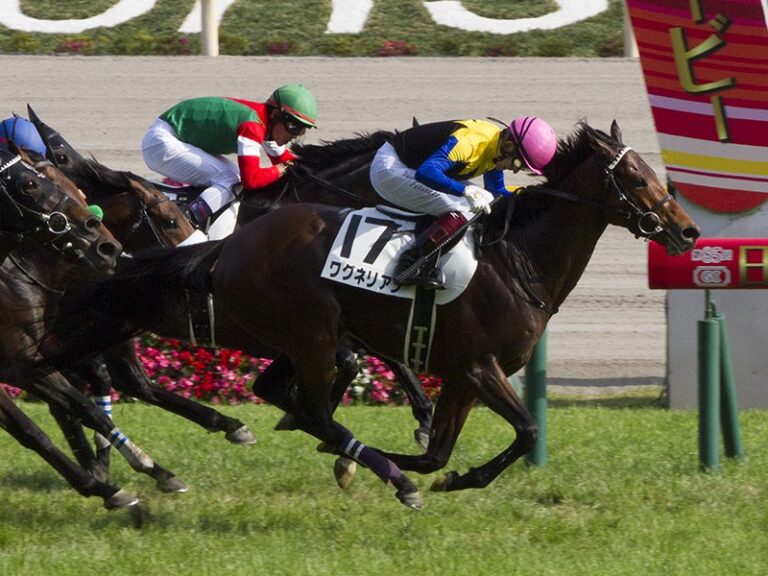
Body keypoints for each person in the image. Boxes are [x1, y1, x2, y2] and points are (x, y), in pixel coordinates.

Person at [369, 116, 557, 289]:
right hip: (391, 169)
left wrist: (530, 196)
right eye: (518, 164)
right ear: (508, 146)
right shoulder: (472, 144)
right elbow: (426, 172)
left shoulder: (495, 146)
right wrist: (464, 191)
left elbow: (496, 192)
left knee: (484, 199)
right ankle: (409, 266)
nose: (515, 171)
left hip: (412, 166)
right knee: (462, 208)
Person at [141, 83, 318, 245]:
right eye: (293, 127)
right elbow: (252, 180)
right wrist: (282, 169)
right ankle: (189, 221)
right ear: (275, 115)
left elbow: (289, 161)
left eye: (302, 130)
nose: (294, 135)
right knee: (231, 180)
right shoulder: (253, 125)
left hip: (172, 138)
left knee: (234, 179)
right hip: (161, 143)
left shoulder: (264, 122)